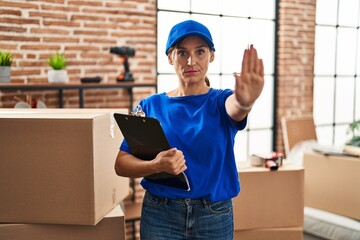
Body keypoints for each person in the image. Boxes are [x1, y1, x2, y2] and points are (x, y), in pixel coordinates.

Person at [115, 19, 264, 239]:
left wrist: (245, 102)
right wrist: (155, 165)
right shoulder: (149, 106)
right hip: (160, 215)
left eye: (200, 52)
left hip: (213, 216)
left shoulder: (221, 101)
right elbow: (121, 163)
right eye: (182, 53)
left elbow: (237, 108)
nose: (191, 61)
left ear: (211, 56)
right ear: (170, 57)